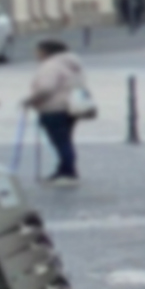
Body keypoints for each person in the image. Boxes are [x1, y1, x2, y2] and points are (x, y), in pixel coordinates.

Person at [23, 37, 91, 183]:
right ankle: (65, 169)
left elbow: (46, 87)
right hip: (71, 107)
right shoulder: (72, 65)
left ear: (45, 52)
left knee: (60, 142)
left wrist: (31, 100)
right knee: (65, 140)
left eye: (38, 51)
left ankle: (67, 172)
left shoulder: (51, 65)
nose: (36, 55)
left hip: (53, 108)